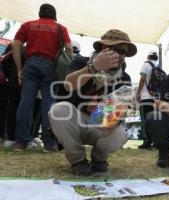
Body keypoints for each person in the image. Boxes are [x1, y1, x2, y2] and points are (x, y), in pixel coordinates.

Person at [48, 29, 136, 176]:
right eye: (115, 49)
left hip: (99, 123)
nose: (119, 56)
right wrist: (93, 67)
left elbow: (115, 115)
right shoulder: (81, 62)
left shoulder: (125, 78)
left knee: (120, 134)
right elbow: (68, 85)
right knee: (58, 110)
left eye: (123, 52)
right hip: (75, 121)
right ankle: (78, 160)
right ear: (102, 48)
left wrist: (117, 115)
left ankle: (99, 159)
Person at [11, 3, 72, 151]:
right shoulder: (60, 28)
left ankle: (21, 142)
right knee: (48, 104)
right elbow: (69, 49)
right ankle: (49, 143)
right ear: (54, 15)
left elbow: (15, 45)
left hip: (30, 64)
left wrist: (19, 68)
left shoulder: (28, 25)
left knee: (26, 102)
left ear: (40, 14)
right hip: (51, 66)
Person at [136, 50, 159, 149]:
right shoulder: (158, 66)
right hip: (156, 98)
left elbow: (142, 79)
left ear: (148, 56)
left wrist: (138, 93)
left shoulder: (146, 65)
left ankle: (146, 142)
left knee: (144, 120)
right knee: (154, 120)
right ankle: (155, 141)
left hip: (146, 97)